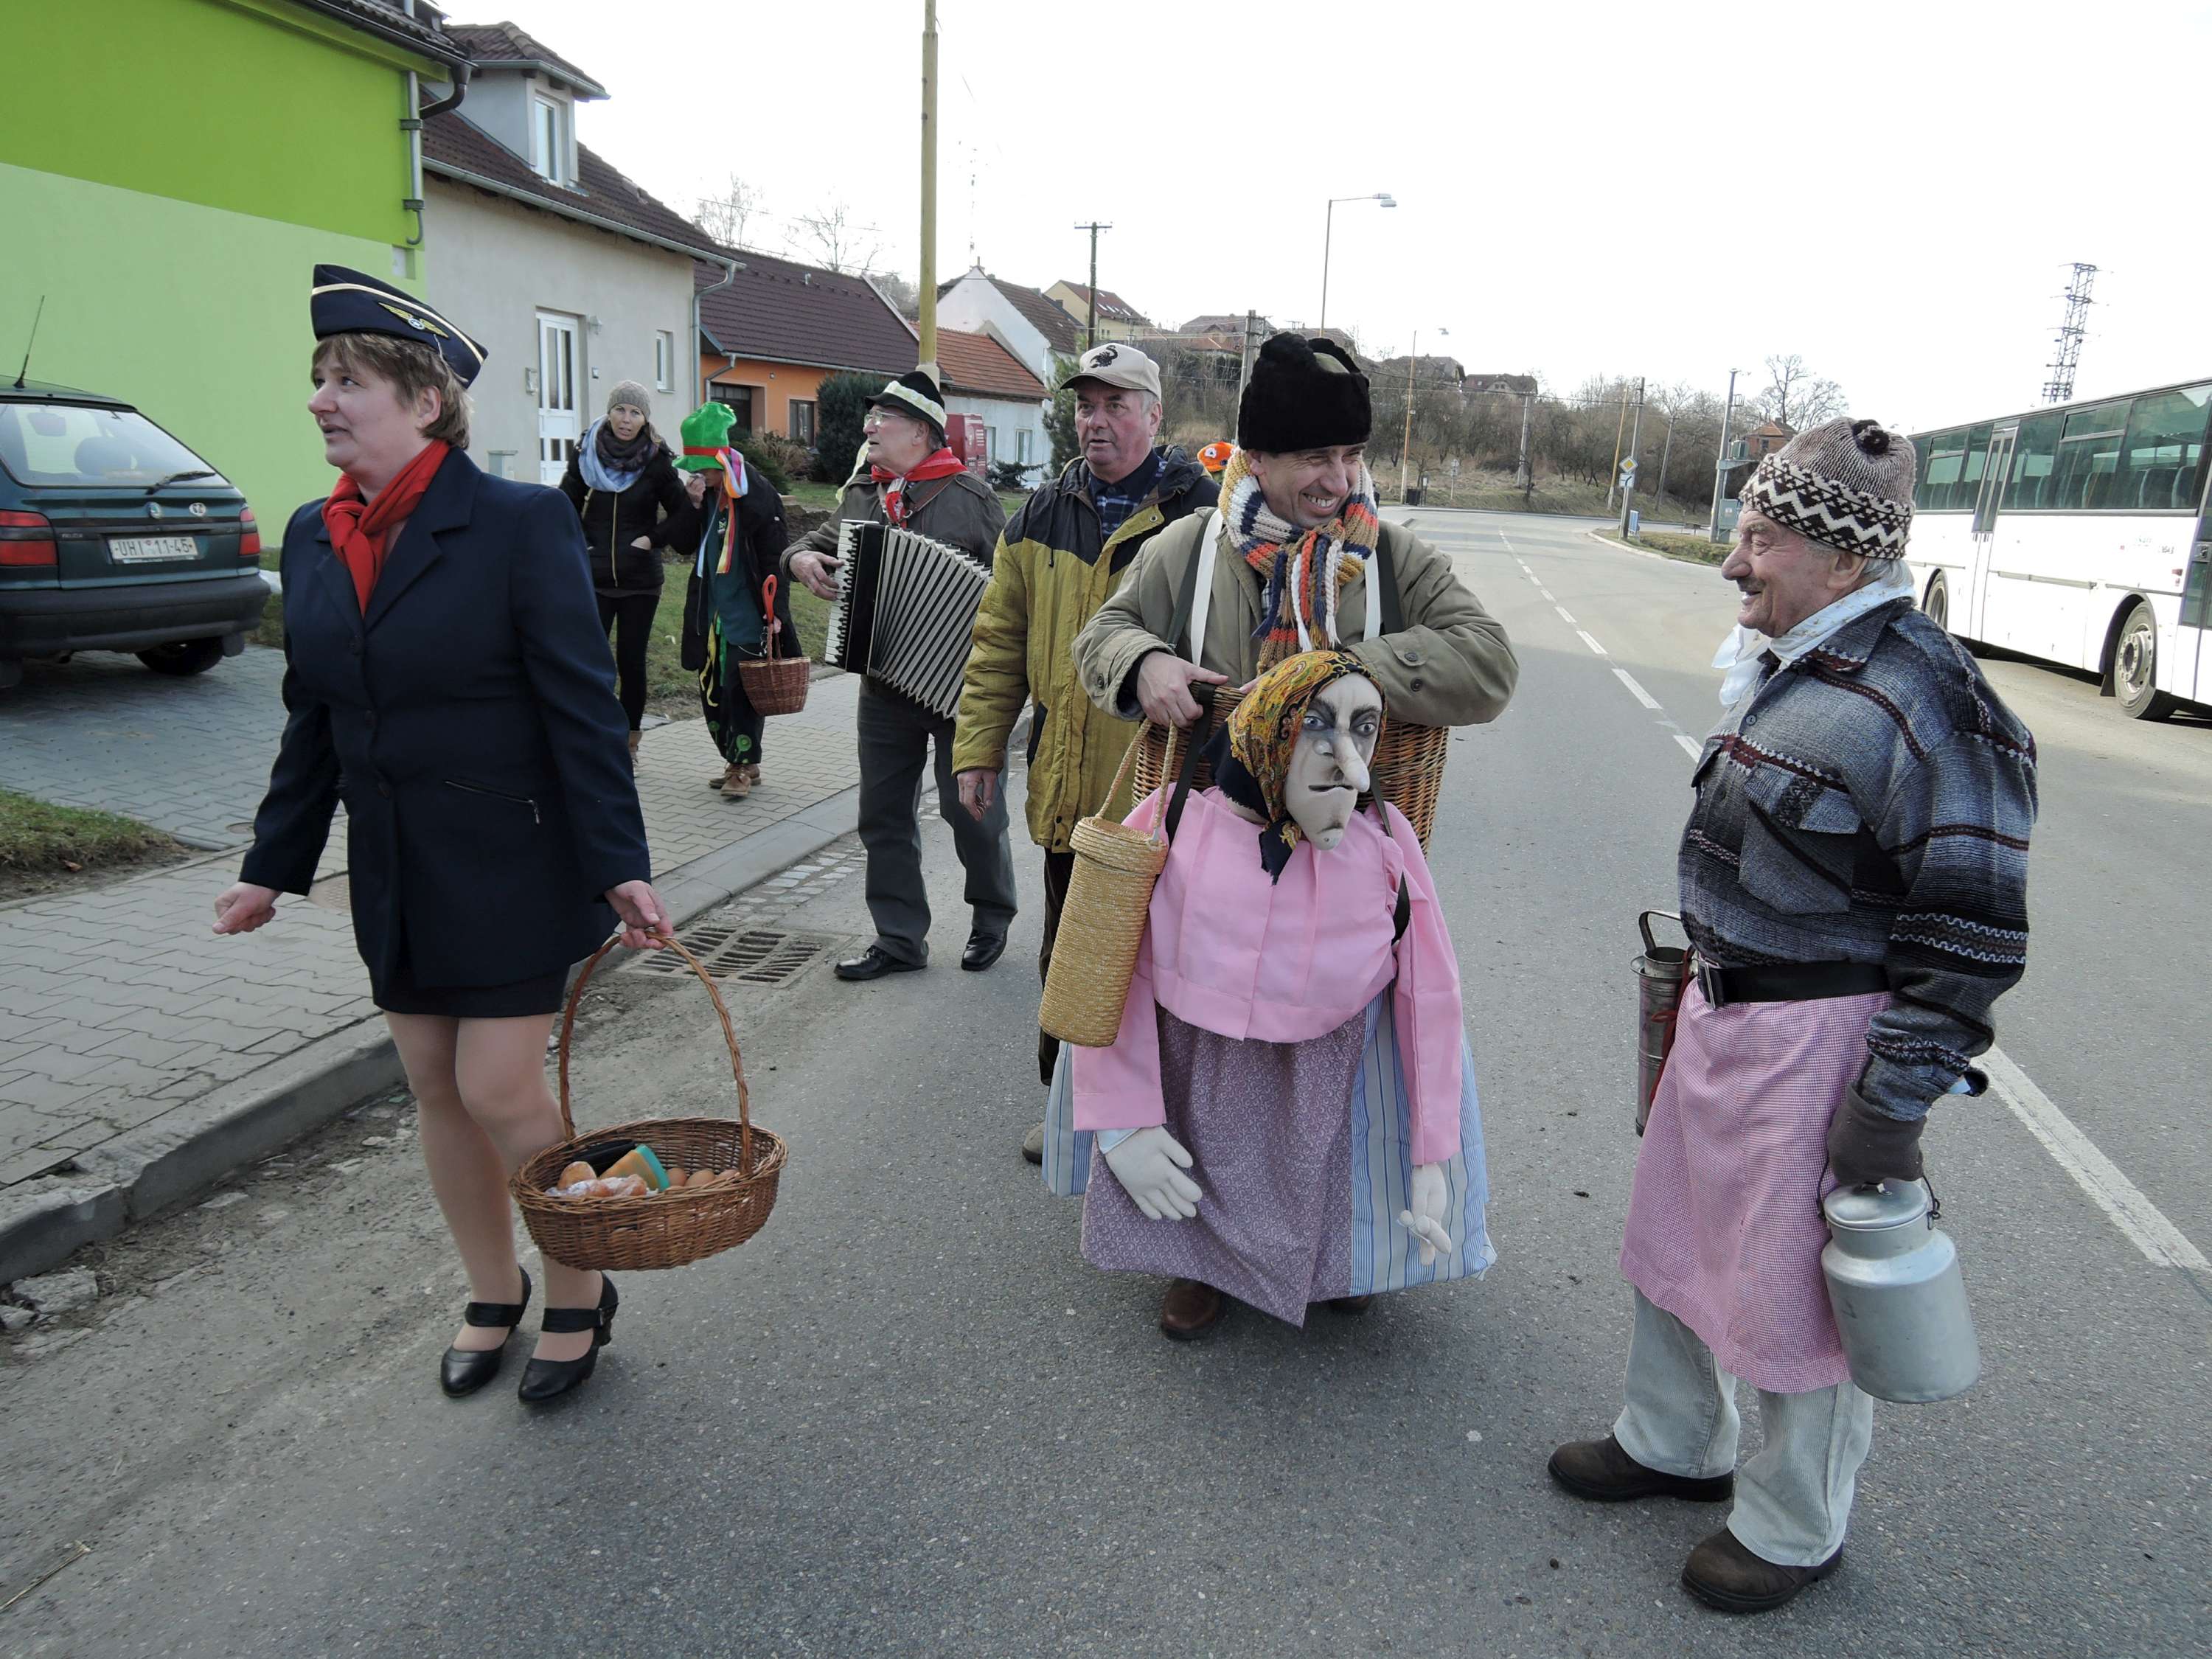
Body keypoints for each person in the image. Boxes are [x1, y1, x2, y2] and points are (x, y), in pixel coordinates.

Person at [1548, 420, 2038, 1614]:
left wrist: (1891, 1105)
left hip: (1822, 1044)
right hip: (1729, 1016)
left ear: (1846, 558)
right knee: (1673, 1241)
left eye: (1763, 539)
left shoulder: (1936, 700)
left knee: (1799, 1302)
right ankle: (1675, 1441)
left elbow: (1972, 931)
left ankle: (1793, 1525)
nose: (1734, 561)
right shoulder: (1805, 659)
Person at [213, 265, 668, 1407]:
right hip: (396, 870)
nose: (321, 399)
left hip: (513, 862)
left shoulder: (516, 522)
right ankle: (491, 1285)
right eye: (319, 378)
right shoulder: (312, 536)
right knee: (433, 1084)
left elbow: (581, 710)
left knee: (500, 1086)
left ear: (425, 402)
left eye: (348, 380)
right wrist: (272, 867)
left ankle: (579, 1285)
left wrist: (621, 865)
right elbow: (316, 718)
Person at [1056, 651, 1492, 1340]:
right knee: (1196, 1167)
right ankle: (1197, 1264)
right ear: (1266, 728)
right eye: (1316, 724)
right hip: (1201, 1065)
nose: (1349, 765)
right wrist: (1123, 1120)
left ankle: (1346, 1263)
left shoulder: (1387, 845)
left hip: (1331, 1069)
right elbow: (1110, 970)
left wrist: (1431, 1149)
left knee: (1331, 1170)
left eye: (1364, 729)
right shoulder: (1170, 823)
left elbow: (1431, 989)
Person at [947, 343, 1218, 1161]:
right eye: (1085, 407)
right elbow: (998, 642)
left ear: (1154, 415)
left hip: (1170, 800)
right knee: (1071, 964)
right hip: (1075, 795)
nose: (1095, 422)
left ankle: (1170, 1125)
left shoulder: (1205, 518)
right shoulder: (1039, 514)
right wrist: (977, 748)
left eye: (1115, 405)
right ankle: (1072, 1113)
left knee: (1170, 974)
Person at [1073, 331, 1517, 749]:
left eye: (1351, 456)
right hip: (1207, 802)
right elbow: (1102, 634)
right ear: (1257, 459)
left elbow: (1491, 663)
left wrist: (1345, 672)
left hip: (1354, 805)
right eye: (1316, 458)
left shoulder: (1395, 557)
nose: (1340, 482)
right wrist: (1143, 664)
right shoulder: (1189, 545)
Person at [783, 366, 1017, 980]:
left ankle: (992, 914)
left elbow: (1014, 592)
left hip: (961, 690)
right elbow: (811, 543)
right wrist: (801, 560)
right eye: (871, 418)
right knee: (882, 814)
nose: (870, 428)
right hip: (883, 680)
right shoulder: (865, 494)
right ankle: (899, 938)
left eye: (882, 419)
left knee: (972, 813)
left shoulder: (971, 499)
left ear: (920, 431)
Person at [557, 380, 690, 768]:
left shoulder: (657, 460)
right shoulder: (586, 454)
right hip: (594, 578)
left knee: (631, 663)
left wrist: (651, 539)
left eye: (635, 413)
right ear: (610, 411)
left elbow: (683, 513)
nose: (626, 419)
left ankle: (629, 743)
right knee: (591, 663)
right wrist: (581, 543)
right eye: (620, 410)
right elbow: (564, 503)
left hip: (640, 581)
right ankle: (594, 739)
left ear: (645, 419)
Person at [667, 402, 792, 799]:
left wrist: (776, 612)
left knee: (743, 689)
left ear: (721, 462)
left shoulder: (756, 494)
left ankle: (741, 765)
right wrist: (691, 505)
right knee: (714, 689)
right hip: (710, 612)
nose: (697, 476)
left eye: (702, 469)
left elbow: (775, 555)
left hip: (748, 610)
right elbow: (683, 543)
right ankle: (736, 760)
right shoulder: (703, 493)